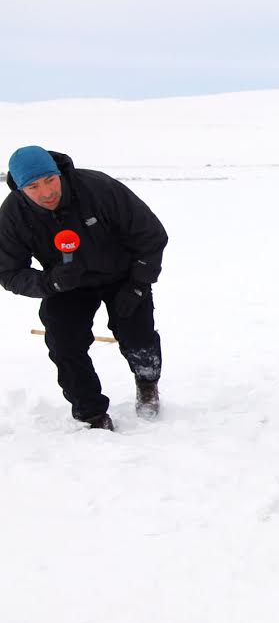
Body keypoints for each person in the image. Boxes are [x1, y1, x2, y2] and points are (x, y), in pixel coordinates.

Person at [1, 146, 167, 430]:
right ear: (20, 188)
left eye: (50, 180)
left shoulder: (98, 189)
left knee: (137, 336)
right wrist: (49, 282)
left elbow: (151, 235)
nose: (46, 192)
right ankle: (91, 413)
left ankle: (147, 381)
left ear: (59, 174)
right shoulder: (14, 215)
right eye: (33, 186)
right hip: (67, 285)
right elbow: (9, 271)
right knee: (64, 343)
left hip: (123, 276)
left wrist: (139, 284)